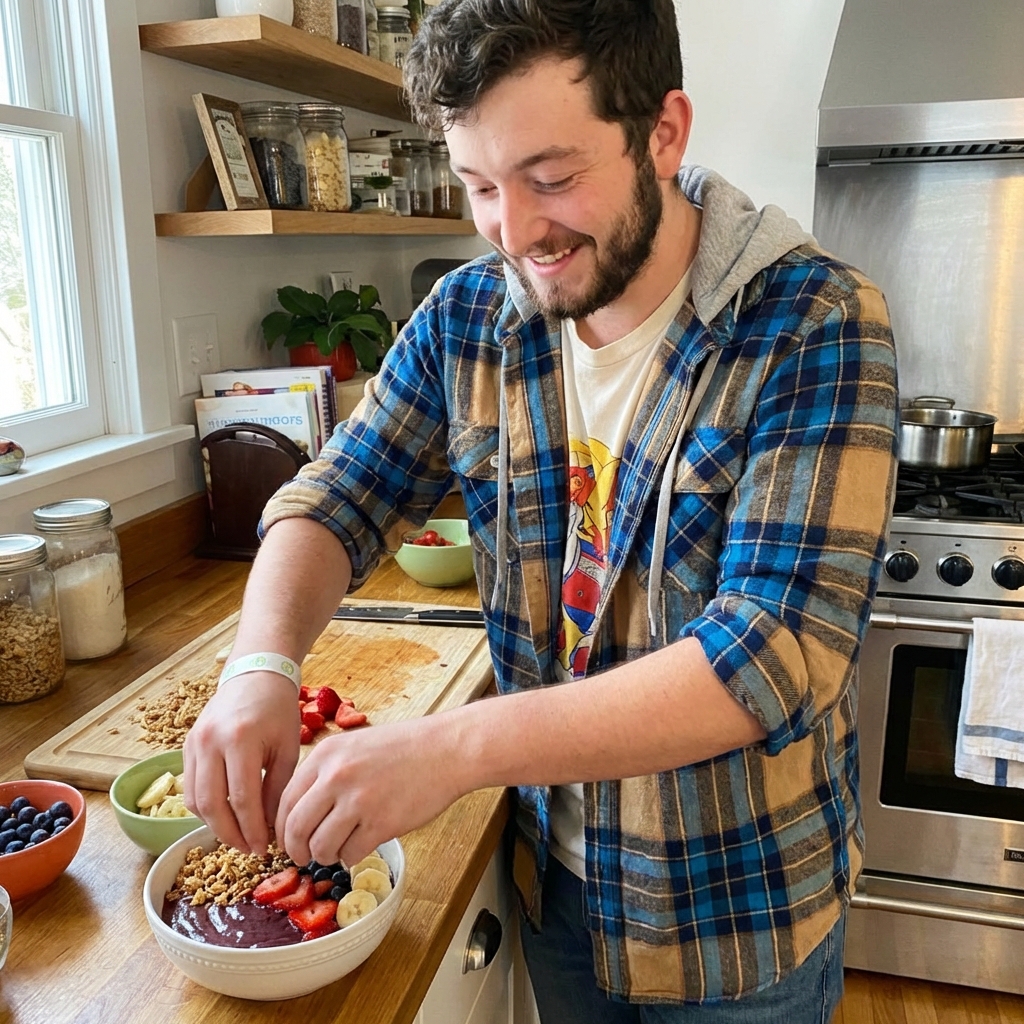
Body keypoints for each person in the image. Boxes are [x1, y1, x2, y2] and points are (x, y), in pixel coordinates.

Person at [184, 1, 899, 1020]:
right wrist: (260, 664)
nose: (514, 232)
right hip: (556, 888)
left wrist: (451, 748)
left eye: (551, 178)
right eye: (479, 185)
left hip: (737, 917)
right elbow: (335, 495)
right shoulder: (471, 313)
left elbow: (771, 652)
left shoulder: (814, 322)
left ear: (663, 132)